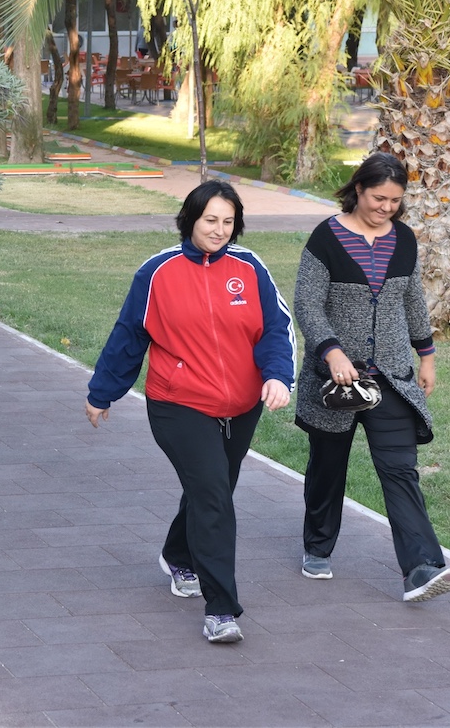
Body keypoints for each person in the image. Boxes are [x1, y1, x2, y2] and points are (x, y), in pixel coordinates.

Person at [85, 180, 295, 644]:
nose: (219, 230)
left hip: (241, 406)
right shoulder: (158, 272)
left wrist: (278, 375)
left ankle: (178, 555)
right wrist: (102, 392)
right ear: (190, 218)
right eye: (210, 220)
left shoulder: (250, 268)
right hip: (177, 404)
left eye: (228, 221)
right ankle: (221, 609)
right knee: (215, 497)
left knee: (211, 490)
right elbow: (129, 336)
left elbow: (276, 329)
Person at [292, 152, 450, 603]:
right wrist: (331, 351)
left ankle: (423, 567)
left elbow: (412, 301)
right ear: (358, 190)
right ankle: (318, 547)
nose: (386, 207)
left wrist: (426, 355)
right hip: (334, 383)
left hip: (391, 376)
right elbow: (307, 303)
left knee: (401, 469)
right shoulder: (326, 237)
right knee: (328, 467)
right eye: (378, 197)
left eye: (395, 201)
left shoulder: (403, 239)